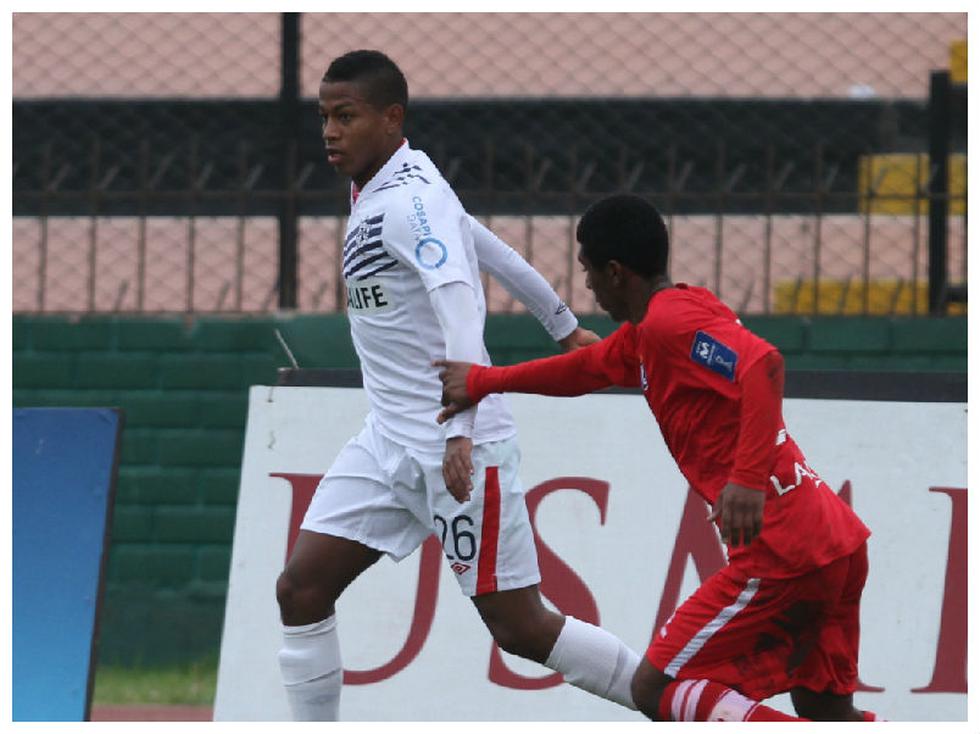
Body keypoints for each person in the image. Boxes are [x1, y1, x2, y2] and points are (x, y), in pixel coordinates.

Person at [274, 50, 642, 721]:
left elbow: (461, 308)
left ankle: (672, 700)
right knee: (301, 590)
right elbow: (488, 247)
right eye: (325, 116)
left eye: (345, 116)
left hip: (458, 450)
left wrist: (462, 430)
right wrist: (562, 326)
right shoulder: (391, 186)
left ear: (392, 118)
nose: (329, 131)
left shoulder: (410, 202)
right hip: (386, 443)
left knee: (522, 629)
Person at [436, 194, 883, 722]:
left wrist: (745, 480)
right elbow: (587, 370)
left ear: (617, 272)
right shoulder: (658, 329)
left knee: (657, 687)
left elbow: (763, 365)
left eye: (589, 273)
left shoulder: (672, 324)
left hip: (785, 551)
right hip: (833, 544)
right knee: (824, 706)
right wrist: (486, 382)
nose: (588, 288)